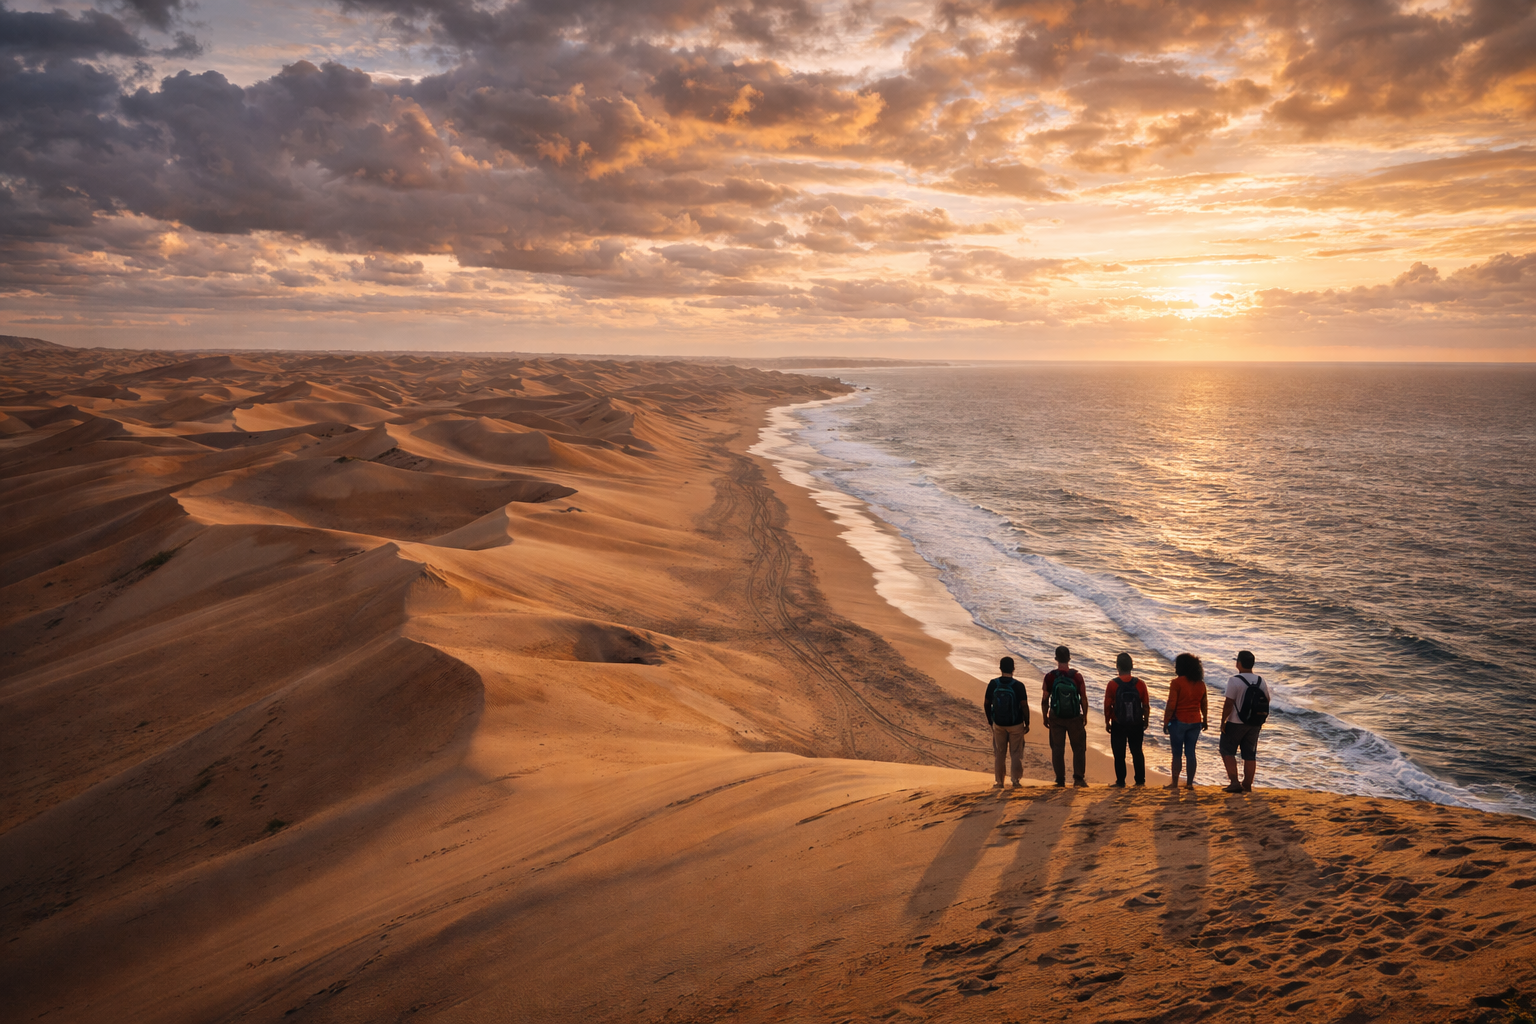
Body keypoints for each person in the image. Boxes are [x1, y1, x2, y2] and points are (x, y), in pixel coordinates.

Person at [1220, 650, 1271, 793]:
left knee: (1227, 750)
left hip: (1235, 722)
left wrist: (1223, 721)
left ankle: (1234, 782)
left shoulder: (1234, 680)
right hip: (1255, 723)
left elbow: (1229, 703)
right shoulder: (1261, 681)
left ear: (1239, 663)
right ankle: (1247, 784)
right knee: (1249, 754)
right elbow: (1267, 700)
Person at [1042, 645, 1090, 787]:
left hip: (1056, 717)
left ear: (1056, 659)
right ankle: (1078, 779)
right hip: (1074, 717)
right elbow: (1083, 698)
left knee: (1057, 748)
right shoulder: (1077, 676)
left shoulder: (1050, 677)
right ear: (1069, 658)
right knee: (1079, 748)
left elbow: (1045, 699)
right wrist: (1085, 715)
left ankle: (1060, 779)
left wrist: (1045, 716)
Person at [1162, 652, 1209, 789]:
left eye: (1177, 665)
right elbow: (1204, 704)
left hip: (1178, 721)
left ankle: (1175, 783)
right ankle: (1189, 783)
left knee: (1177, 753)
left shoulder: (1176, 683)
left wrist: (1166, 721)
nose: (1175, 668)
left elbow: (1171, 704)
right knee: (1190, 752)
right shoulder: (1201, 684)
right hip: (1195, 721)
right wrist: (1205, 719)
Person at [1103, 652, 1150, 787]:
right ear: (1132, 666)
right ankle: (1140, 781)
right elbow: (1145, 704)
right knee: (1137, 751)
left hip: (1119, 723)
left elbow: (1107, 705)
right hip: (1136, 723)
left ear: (1117, 667)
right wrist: (1145, 719)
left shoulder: (1112, 684)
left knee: (1119, 753)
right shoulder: (1140, 684)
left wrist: (1108, 721)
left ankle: (1121, 781)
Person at [984, 656, 1030, 789]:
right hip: (1016, 724)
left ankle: (999, 782)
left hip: (998, 724)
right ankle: (1015, 780)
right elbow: (1024, 705)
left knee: (999, 752)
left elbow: (987, 703)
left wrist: (990, 720)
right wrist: (1027, 722)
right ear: (1013, 669)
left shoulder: (993, 684)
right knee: (1015, 752)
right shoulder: (1019, 686)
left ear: (1000, 668)